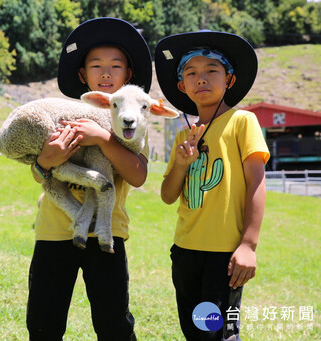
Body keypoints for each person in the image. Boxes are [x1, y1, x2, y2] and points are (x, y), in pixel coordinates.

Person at [26, 17, 153, 341]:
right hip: (55, 231)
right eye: (96, 65)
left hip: (108, 234)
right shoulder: (62, 116)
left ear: (129, 74)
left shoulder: (132, 123)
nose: (106, 73)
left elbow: (137, 176)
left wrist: (101, 137)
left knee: (114, 323)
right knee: (43, 319)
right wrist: (44, 161)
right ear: (83, 74)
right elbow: (41, 173)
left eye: (116, 65)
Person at [155, 30, 270, 340]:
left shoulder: (242, 122)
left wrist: (248, 244)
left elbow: (257, 181)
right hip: (184, 251)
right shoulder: (183, 137)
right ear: (182, 86)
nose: (201, 79)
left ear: (229, 79)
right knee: (194, 332)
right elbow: (167, 196)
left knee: (217, 334)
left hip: (225, 255)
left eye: (211, 71)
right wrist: (181, 163)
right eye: (191, 73)